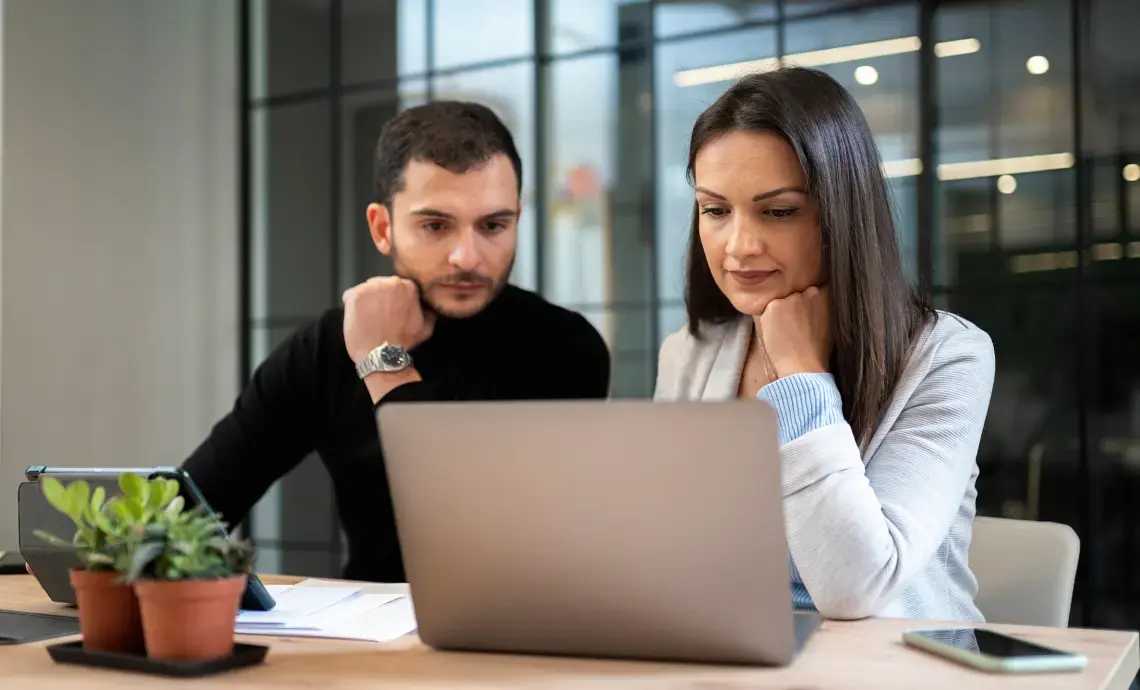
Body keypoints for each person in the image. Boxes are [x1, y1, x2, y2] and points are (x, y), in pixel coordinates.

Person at [183, 101, 611, 583]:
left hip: (511, 639)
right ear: (382, 228)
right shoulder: (326, 347)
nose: (467, 256)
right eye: (435, 225)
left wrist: (383, 363)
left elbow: (468, 537)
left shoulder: (564, 347)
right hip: (369, 642)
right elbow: (193, 505)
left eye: (493, 226)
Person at [653, 67, 995, 622]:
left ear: (840, 212)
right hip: (733, 659)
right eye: (715, 210)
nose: (738, 245)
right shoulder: (690, 352)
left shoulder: (949, 357)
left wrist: (800, 376)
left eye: (779, 211)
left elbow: (856, 586)